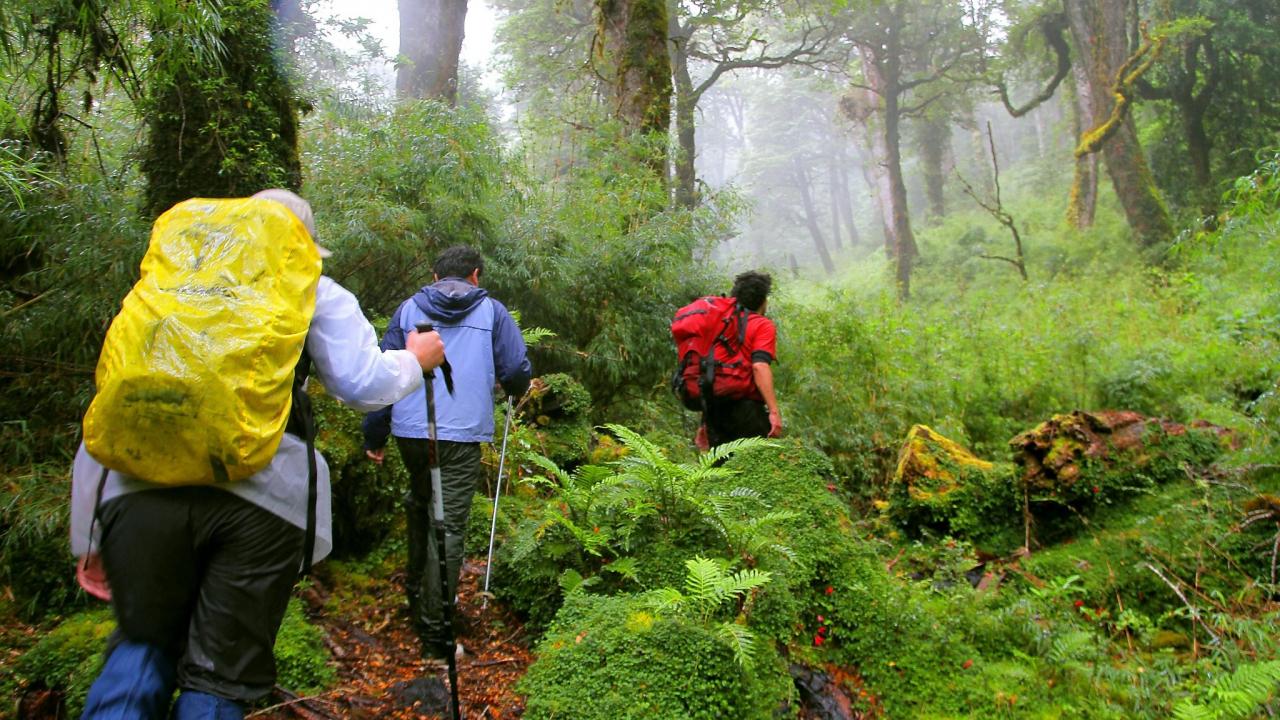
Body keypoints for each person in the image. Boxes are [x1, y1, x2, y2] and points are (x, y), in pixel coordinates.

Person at [71, 189, 446, 719]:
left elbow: (111, 404)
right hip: (261, 498)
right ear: (303, 242)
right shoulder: (311, 284)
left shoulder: (170, 283)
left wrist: (88, 534)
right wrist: (414, 361)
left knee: (142, 642)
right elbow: (361, 383)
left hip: (138, 491)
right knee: (222, 672)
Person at [362, 245, 532, 663]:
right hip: (461, 436)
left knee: (421, 506)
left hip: (410, 431)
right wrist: (513, 389)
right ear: (475, 275)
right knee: (449, 527)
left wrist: (375, 435)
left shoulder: (407, 311)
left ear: (435, 277)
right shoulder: (492, 312)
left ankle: (417, 598)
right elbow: (515, 371)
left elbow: (383, 371)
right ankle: (436, 634)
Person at [697, 271, 782, 449]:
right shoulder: (762, 325)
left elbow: (710, 373)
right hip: (747, 411)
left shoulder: (720, 325)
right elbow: (759, 366)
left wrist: (703, 422)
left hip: (715, 412)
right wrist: (774, 411)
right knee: (757, 468)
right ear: (763, 301)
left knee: (724, 471)